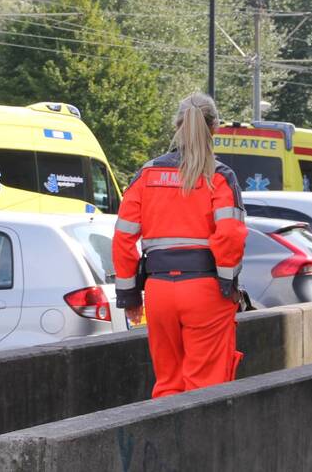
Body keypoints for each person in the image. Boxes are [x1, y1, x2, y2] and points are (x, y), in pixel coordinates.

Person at [112, 92, 247, 398]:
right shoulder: (221, 176)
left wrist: (130, 295)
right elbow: (230, 234)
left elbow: (123, 237)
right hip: (205, 291)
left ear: (176, 126)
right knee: (205, 388)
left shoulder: (147, 175)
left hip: (159, 292)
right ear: (214, 128)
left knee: (168, 384)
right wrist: (228, 285)